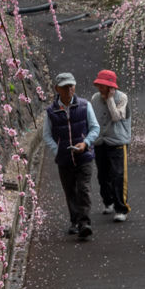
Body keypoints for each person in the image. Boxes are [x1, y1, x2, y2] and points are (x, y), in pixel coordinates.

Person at [42, 72, 100, 238]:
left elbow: (95, 128)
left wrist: (86, 143)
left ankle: (84, 223)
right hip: (64, 159)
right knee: (70, 191)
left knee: (84, 188)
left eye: (71, 86)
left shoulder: (84, 105)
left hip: (84, 156)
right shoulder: (51, 111)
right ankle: (75, 220)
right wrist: (57, 149)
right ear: (57, 89)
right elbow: (46, 134)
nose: (69, 89)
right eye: (65, 87)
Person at [91, 70, 131, 221]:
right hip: (100, 141)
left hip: (117, 141)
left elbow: (116, 117)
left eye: (103, 85)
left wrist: (110, 99)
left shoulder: (122, 97)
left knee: (118, 175)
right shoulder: (94, 98)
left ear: (111, 87)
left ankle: (121, 209)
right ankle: (108, 201)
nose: (100, 87)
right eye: (99, 84)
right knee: (102, 174)